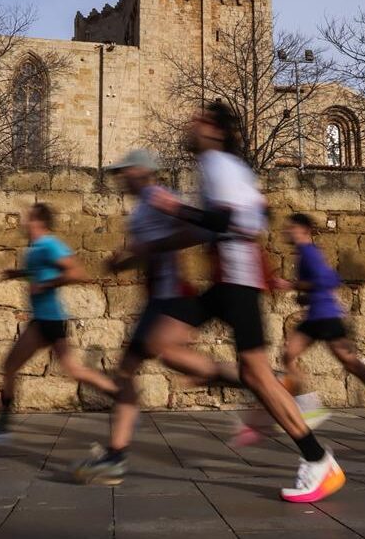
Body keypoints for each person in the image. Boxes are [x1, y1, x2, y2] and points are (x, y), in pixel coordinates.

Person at [119, 103, 343, 503]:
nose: (190, 123)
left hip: (239, 279)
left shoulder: (219, 165)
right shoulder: (222, 169)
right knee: (161, 343)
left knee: (257, 374)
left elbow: (221, 224)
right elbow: (216, 228)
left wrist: (172, 207)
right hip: (226, 279)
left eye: (200, 120)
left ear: (216, 131)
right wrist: (149, 246)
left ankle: (318, 458)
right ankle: (263, 386)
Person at [72, 148, 239, 485]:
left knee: (159, 360)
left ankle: (253, 378)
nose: (121, 179)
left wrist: (153, 248)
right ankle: (116, 456)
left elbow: (203, 232)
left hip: (172, 296)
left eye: (125, 172)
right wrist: (125, 262)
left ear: (141, 172)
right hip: (156, 301)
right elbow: (147, 253)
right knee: (129, 371)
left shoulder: (159, 196)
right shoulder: (141, 211)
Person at [0, 203, 118, 442]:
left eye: (28, 218)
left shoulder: (49, 245)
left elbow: (77, 273)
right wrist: (17, 274)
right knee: (15, 367)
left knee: (61, 370)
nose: (24, 222)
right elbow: (38, 272)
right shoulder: (36, 247)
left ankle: (120, 395)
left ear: (38, 222)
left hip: (51, 320)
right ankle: (1, 427)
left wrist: (47, 285)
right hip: (43, 321)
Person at [277, 212, 365, 439]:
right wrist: (304, 295)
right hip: (314, 317)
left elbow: (329, 280)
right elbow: (325, 281)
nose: (287, 231)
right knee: (288, 355)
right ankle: (309, 406)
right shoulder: (304, 254)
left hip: (326, 316)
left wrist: (292, 284)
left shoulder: (308, 252)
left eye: (291, 228)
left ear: (303, 230)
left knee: (351, 363)